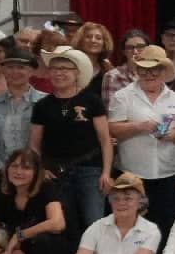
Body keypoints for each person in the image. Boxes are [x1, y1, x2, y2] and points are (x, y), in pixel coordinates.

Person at [106, 44, 175, 238]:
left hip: (169, 172)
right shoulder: (123, 96)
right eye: (144, 70)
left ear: (163, 71)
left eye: (154, 70)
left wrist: (174, 135)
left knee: (168, 223)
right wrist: (140, 126)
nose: (149, 75)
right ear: (137, 71)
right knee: (133, 225)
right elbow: (112, 129)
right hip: (133, 173)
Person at [28, 48, 112, 228]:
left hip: (90, 171)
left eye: (65, 69)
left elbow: (105, 140)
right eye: (55, 68)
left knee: (94, 224)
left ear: (77, 73)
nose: (59, 73)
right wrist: (40, 169)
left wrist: (106, 172)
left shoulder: (92, 101)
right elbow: (34, 145)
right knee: (65, 225)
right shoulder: (42, 106)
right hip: (55, 173)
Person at [0, 48, 41, 175]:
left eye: (21, 67)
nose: (15, 72)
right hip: (1, 176)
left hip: (37, 174)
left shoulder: (45, 101)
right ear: (3, 70)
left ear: (31, 71)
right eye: (10, 67)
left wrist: (38, 169)